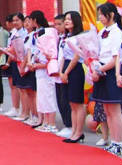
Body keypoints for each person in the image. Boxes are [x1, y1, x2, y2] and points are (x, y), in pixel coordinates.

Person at [92, 2, 122, 156]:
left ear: (111, 14)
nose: (100, 18)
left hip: (110, 71)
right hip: (101, 71)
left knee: (115, 110)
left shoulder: (117, 32)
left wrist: (101, 69)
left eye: (102, 14)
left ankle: (119, 142)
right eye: (99, 15)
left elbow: (115, 58)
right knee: (107, 110)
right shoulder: (101, 32)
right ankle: (113, 141)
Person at [27, 10, 57, 132]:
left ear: (35, 20)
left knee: (49, 96)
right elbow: (33, 50)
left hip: (46, 67)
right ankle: (44, 121)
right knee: (42, 97)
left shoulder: (48, 32)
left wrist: (40, 63)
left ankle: (51, 123)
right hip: (38, 67)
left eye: (30, 20)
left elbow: (50, 51)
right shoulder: (36, 33)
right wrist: (31, 62)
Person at [59, 10, 85, 143]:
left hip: (75, 69)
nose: (66, 21)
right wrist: (60, 72)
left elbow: (76, 56)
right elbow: (63, 55)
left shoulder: (80, 37)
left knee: (77, 102)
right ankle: (73, 131)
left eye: (69, 19)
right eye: (65, 19)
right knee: (71, 103)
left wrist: (67, 72)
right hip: (65, 68)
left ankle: (79, 132)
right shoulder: (66, 36)